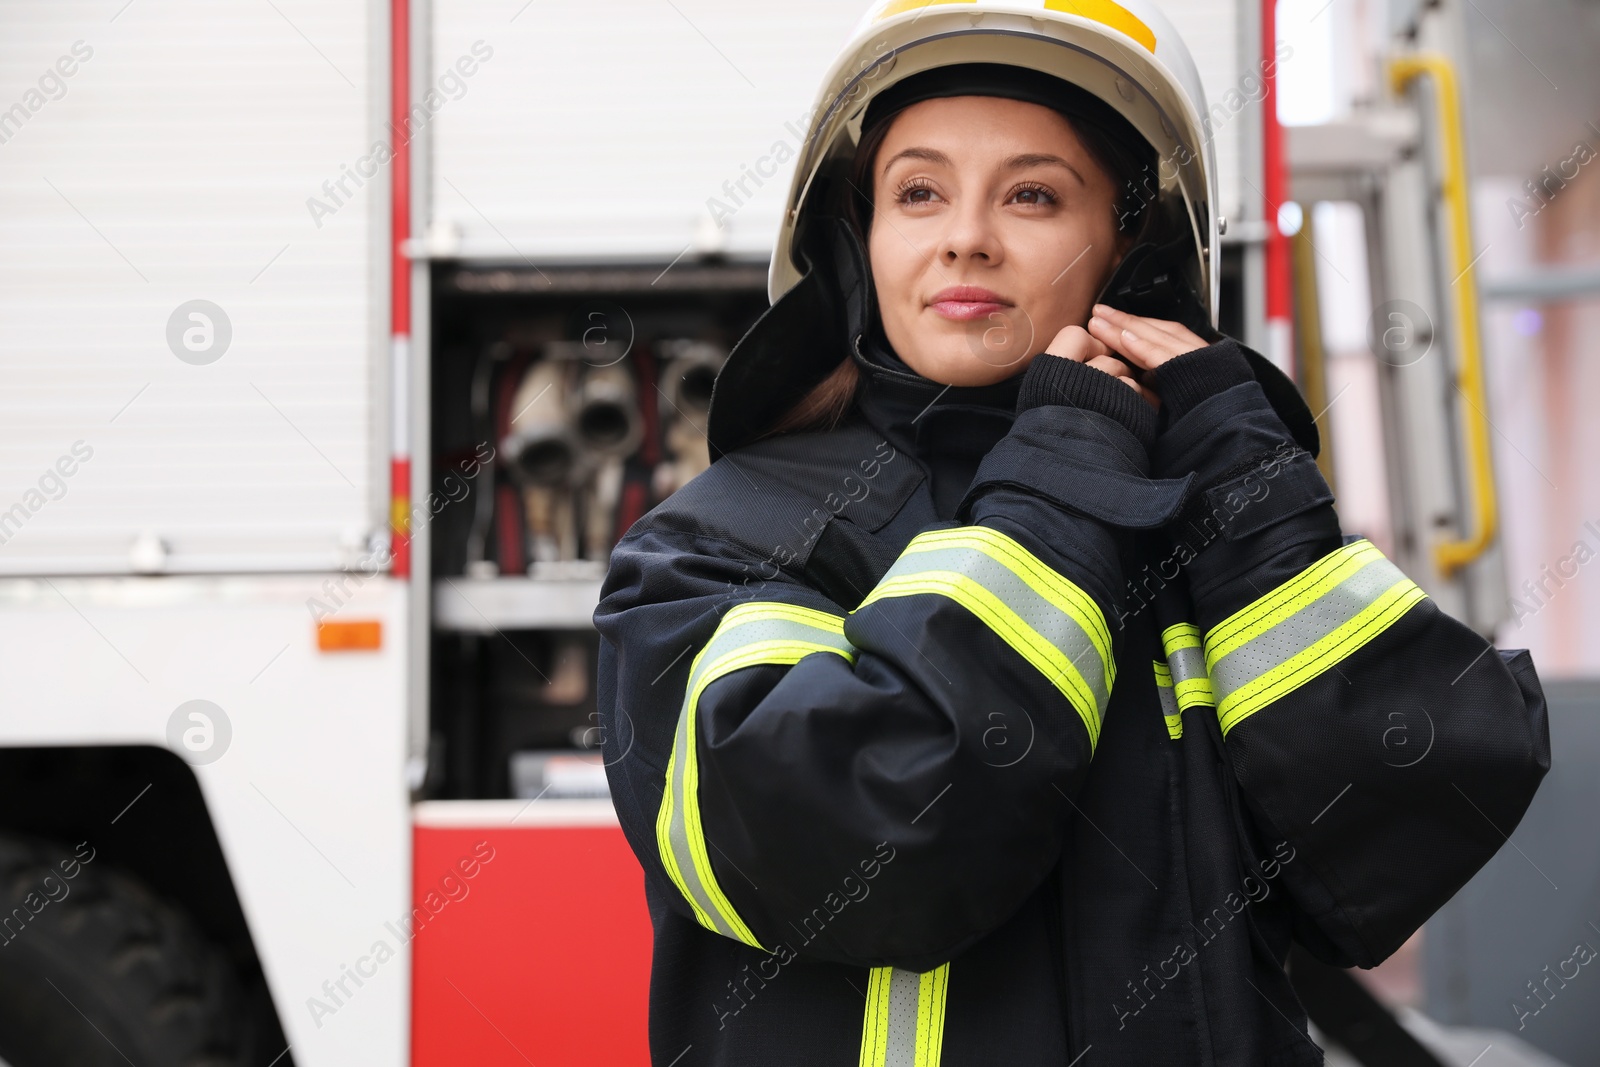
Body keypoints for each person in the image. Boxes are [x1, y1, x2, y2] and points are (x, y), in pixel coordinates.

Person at [593, 2, 1550, 1063]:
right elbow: (860, 852)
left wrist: (1254, 501)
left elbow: (1404, 819)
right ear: (854, 240)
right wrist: (1055, 495)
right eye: (917, 191)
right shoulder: (720, 539)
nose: (966, 234)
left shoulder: (1205, 524)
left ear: (1130, 255)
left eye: (1033, 194)